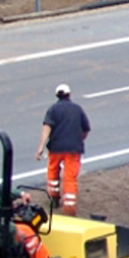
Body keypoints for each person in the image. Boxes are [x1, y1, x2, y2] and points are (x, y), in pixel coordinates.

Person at [36, 84, 90, 215]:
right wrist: (79, 140)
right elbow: (86, 129)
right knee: (70, 177)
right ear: (69, 94)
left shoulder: (53, 110)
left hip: (55, 147)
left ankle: (53, 197)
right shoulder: (77, 109)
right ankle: (69, 207)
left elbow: (47, 128)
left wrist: (40, 147)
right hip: (73, 149)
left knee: (53, 172)